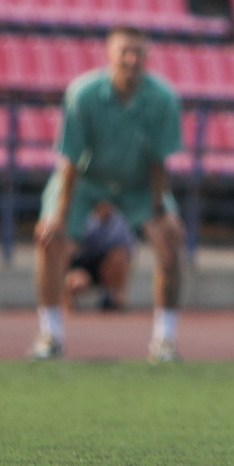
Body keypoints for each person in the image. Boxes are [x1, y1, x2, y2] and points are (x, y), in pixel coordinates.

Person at [32, 27, 187, 363]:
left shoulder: (164, 98)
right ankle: (50, 334)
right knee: (49, 239)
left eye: (138, 53)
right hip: (86, 180)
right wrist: (59, 215)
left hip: (138, 183)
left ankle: (165, 341)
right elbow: (70, 159)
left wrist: (163, 210)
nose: (131, 60)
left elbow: (160, 161)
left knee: (171, 241)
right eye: (124, 52)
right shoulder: (82, 94)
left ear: (147, 58)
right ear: (109, 55)